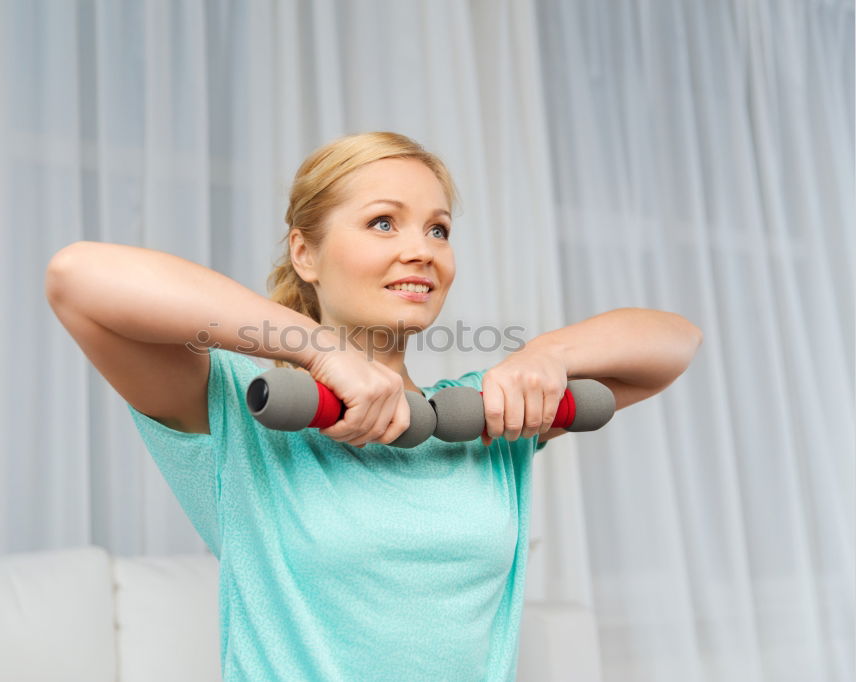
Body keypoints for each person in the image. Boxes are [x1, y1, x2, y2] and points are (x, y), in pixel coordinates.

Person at [44, 131, 703, 681]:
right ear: (306, 252)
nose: (420, 249)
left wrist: (548, 356)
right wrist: (316, 352)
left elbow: (675, 343)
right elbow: (78, 277)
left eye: (438, 229)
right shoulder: (241, 416)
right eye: (383, 222)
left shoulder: (490, 415)